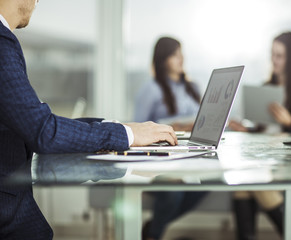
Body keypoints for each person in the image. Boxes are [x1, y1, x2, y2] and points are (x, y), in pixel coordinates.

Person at [0, 1, 177, 239]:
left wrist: (118, 128)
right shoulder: (2, 42)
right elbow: (43, 131)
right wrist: (126, 135)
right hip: (9, 212)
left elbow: (32, 121)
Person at [230, 32, 291, 240]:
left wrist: (290, 123)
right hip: (264, 156)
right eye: (272, 55)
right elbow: (261, 130)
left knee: (247, 185)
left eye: (280, 56)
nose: (274, 60)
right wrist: (247, 129)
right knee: (243, 185)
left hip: (289, 160)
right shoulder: (265, 88)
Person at [134, 37, 207, 240]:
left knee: (209, 181)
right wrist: (175, 126)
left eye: (181, 53)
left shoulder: (192, 88)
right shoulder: (151, 89)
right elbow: (138, 126)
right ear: (163, 59)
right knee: (173, 191)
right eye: (175, 54)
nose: (181, 58)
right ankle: (153, 235)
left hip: (190, 155)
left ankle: (154, 226)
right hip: (159, 159)